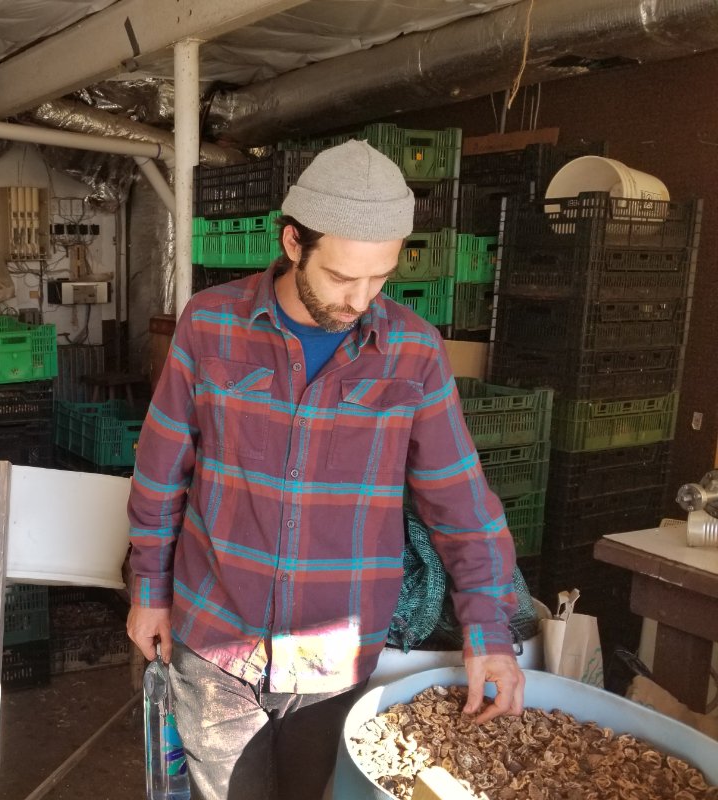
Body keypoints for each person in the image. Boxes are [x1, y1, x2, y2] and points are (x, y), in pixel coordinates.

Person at [126, 140, 525, 800]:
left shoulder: (413, 353)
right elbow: (161, 466)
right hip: (216, 639)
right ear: (292, 242)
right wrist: (148, 588)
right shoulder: (211, 325)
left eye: (379, 279)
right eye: (342, 278)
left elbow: (460, 502)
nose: (359, 300)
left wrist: (489, 632)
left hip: (333, 654)